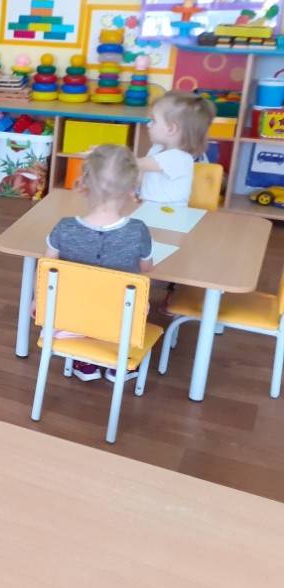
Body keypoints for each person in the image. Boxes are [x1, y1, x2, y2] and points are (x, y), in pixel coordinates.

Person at [45, 145, 154, 383]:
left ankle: (83, 359)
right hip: (119, 322)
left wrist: (37, 300)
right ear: (132, 189)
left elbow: (47, 269)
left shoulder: (64, 227)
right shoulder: (138, 231)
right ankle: (118, 363)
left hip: (70, 318)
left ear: (83, 185)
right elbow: (146, 272)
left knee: (79, 299)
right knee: (134, 301)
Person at [137, 91, 215, 206]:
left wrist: (113, 155)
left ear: (171, 129)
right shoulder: (156, 149)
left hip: (170, 214)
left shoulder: (178, 158)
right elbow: (144, 173)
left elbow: (138, 164)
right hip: (151, 209)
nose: (148, 124)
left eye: (154, 121)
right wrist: (137, 187)